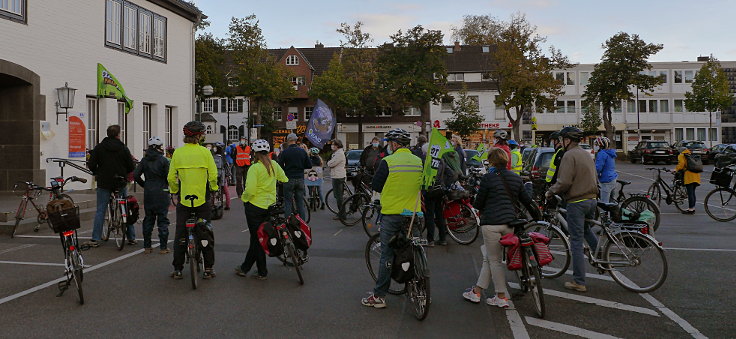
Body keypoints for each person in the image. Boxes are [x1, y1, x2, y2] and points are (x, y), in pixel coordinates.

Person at [463, 148, 541, 307]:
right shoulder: (515, 178)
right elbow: (526, 200)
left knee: (495, 260)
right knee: (491, 259)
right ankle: (476, 292)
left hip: (491, 224)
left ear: (491, 162)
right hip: (509, 224)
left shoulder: (487, 178)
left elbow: (478, 203)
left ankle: (501, 296)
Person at [361, 128, 423, 309]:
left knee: (386, 254)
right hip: (414, 214)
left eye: (389, 143)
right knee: (413, 250)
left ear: (394, 144)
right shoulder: (419, 161)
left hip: (393, 213)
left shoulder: (388, 161)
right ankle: (420, 289)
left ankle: (379, 296)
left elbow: (377, 185)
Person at [546, 126, 599, 292]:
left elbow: (565, 181)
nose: (560, 142)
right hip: (592, 199)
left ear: (567, 140)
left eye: (561, 139)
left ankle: (579, 281)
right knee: (586, 229)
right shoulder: (585, 153)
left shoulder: (569, 155)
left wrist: (550, 191)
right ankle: (601, 257)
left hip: (577, 201)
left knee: (575, 241)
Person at [167, 121, 219, 280]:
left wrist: (175, 191)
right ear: (198, 136)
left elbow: (171, 177)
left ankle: (177, 269)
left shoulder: (178, 153)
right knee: (205, 231)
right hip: (202, 200)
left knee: (180, 234)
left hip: (185, 199)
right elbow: (213, 175)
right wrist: (214, 189)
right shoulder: (205, 152)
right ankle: (208, 268)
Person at [234, 139, 288, 280]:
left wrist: (245, 198)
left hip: (255, 207)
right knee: (258, 238)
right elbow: (284, 179)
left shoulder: (254, 168)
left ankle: (262, 271)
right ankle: (245, 267)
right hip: (270, 206)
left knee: (257, 238)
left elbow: (250, 189)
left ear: (254, 153)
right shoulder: (274, 165)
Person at [85, 125, 136, 248]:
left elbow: (91, 164)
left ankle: (95, 238)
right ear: (118, 134)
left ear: (108, 134)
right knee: (125, 206)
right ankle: (131, 237)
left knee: (101, 210)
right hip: (120, 181)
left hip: (104, 182)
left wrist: (97, 171)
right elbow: (131, 166)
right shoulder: (123, 148)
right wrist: (124, 172)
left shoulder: (100, 147)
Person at [133, 137, 171, 254]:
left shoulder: (144, 160)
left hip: (149, 192)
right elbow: (168, 177)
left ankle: (147, 246)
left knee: (149, 219)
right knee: (162, 219)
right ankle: (163, 247)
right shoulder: (164, 160)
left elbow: (135, 175)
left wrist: (145, 185)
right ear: (159, 147)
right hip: (162, 191)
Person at [278, 133, 312, 218]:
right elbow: (309, 165)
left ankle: (288, 223)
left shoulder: (284, 152)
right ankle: (303, 223)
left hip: (289, 178)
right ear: (296, 140)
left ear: (288, 140)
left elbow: (280, 166)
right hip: (300, 178)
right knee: (300, 202)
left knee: (288, 202)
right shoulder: (302, 151)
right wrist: (300, 166)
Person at [676, 148, 700, 214]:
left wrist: (676, 169)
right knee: (693, 192)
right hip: (696, 175)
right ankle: (692, 208)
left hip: (689, 176)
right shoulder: (690, 154)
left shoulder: (682, 155)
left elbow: (681, 164)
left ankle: (690, 209)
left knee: (690, 193)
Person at [327, 139, 347, 220]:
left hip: (338, 176)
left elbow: (331, 163)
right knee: (338, 196)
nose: (332, 146)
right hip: (336, 175)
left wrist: (329, 163)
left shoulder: (339, 154)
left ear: (337, 145)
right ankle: (342, 213)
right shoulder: (336, 153)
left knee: (339, 197)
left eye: (333, 144)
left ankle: (342, 214)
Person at [595, 136, 618, 203]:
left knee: (604, 203)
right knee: (612, 201)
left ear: (600, 145)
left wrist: (593, 174)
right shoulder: (610, 153)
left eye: (597, 145)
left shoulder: (602, 154)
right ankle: (615, 213)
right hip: (612, 178)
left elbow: (598, 168)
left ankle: (604, 213)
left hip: (606, 180)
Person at [213, 142, 231, 210]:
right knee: (226, 191)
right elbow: (227, 167)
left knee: (213, 191)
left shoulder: (213, 156)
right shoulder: (223, 157)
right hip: (222, 176)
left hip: (215, 176)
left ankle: (212, 204)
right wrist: (228, 175)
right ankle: (227, 205)